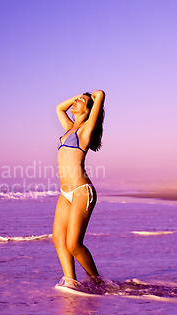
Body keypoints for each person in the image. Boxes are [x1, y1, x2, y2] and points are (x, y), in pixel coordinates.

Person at [52, 90, 106, 290]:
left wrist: (90, 97)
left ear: (89, 109)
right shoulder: (69, 128)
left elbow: (100, 94)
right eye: (74, 100)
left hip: (82, 190)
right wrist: (79, 97)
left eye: (80, 101)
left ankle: (98, 281)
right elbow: (59, 108)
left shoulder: (85, 130)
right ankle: (70, 281)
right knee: (58, 238)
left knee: (74, 244)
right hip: (65, 193)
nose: (74, 103)